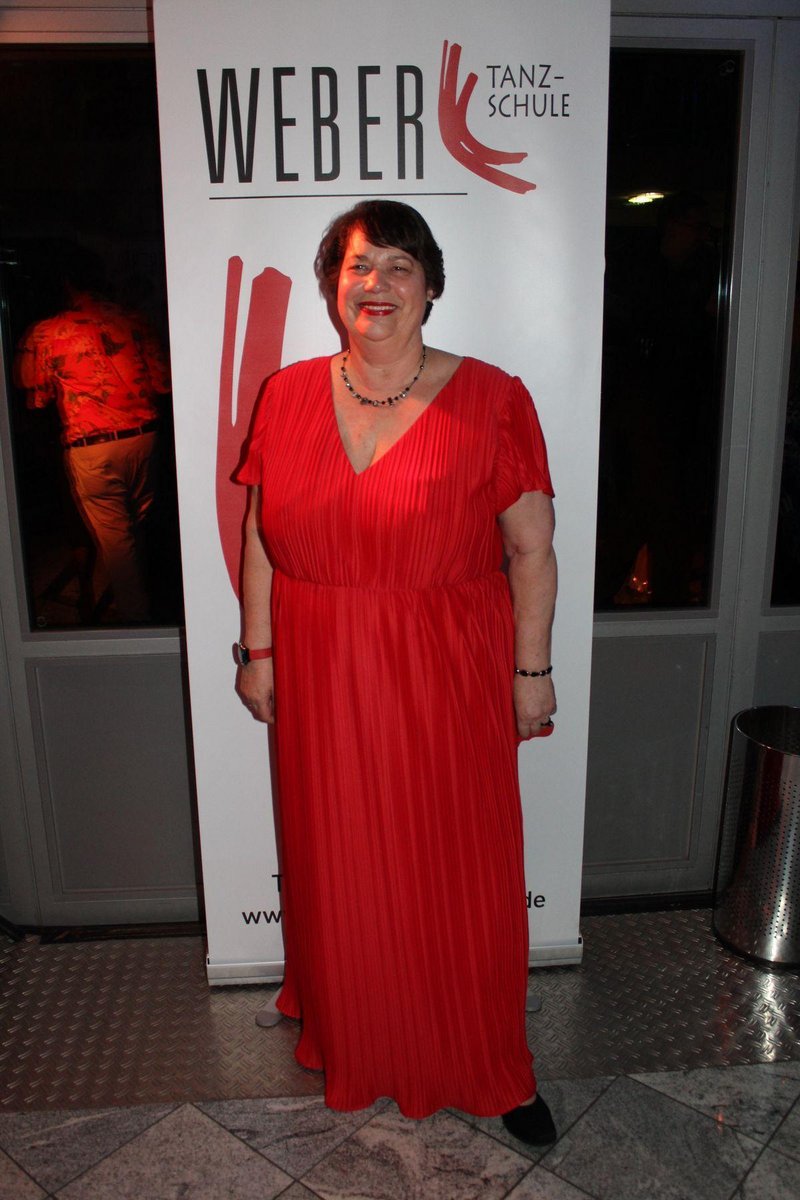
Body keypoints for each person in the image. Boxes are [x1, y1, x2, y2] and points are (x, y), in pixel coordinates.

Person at [236, 200, 558, 1144]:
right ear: (333, 285)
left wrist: (530, 671)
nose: (375, 284)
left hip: (443, 671)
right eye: (357, 266)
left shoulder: (493, 398)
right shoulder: (286, 394)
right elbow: (261, 533)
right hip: (321, 668)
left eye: (399, 266)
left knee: (460, 871)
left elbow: (531, 549)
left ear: (431, 286)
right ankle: (357, 1033)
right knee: (342, 868)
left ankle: (490, 1064)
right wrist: (258, 652)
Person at [14, 275, 171, 622]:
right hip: (144, 439)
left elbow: (35, 395)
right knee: (135, 528)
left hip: (92, 446)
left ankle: (136, 622)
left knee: (116, 539)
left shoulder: (48, 332)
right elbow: (163, 381)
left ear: (66, 286)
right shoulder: (134, 320)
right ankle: (147, 603)